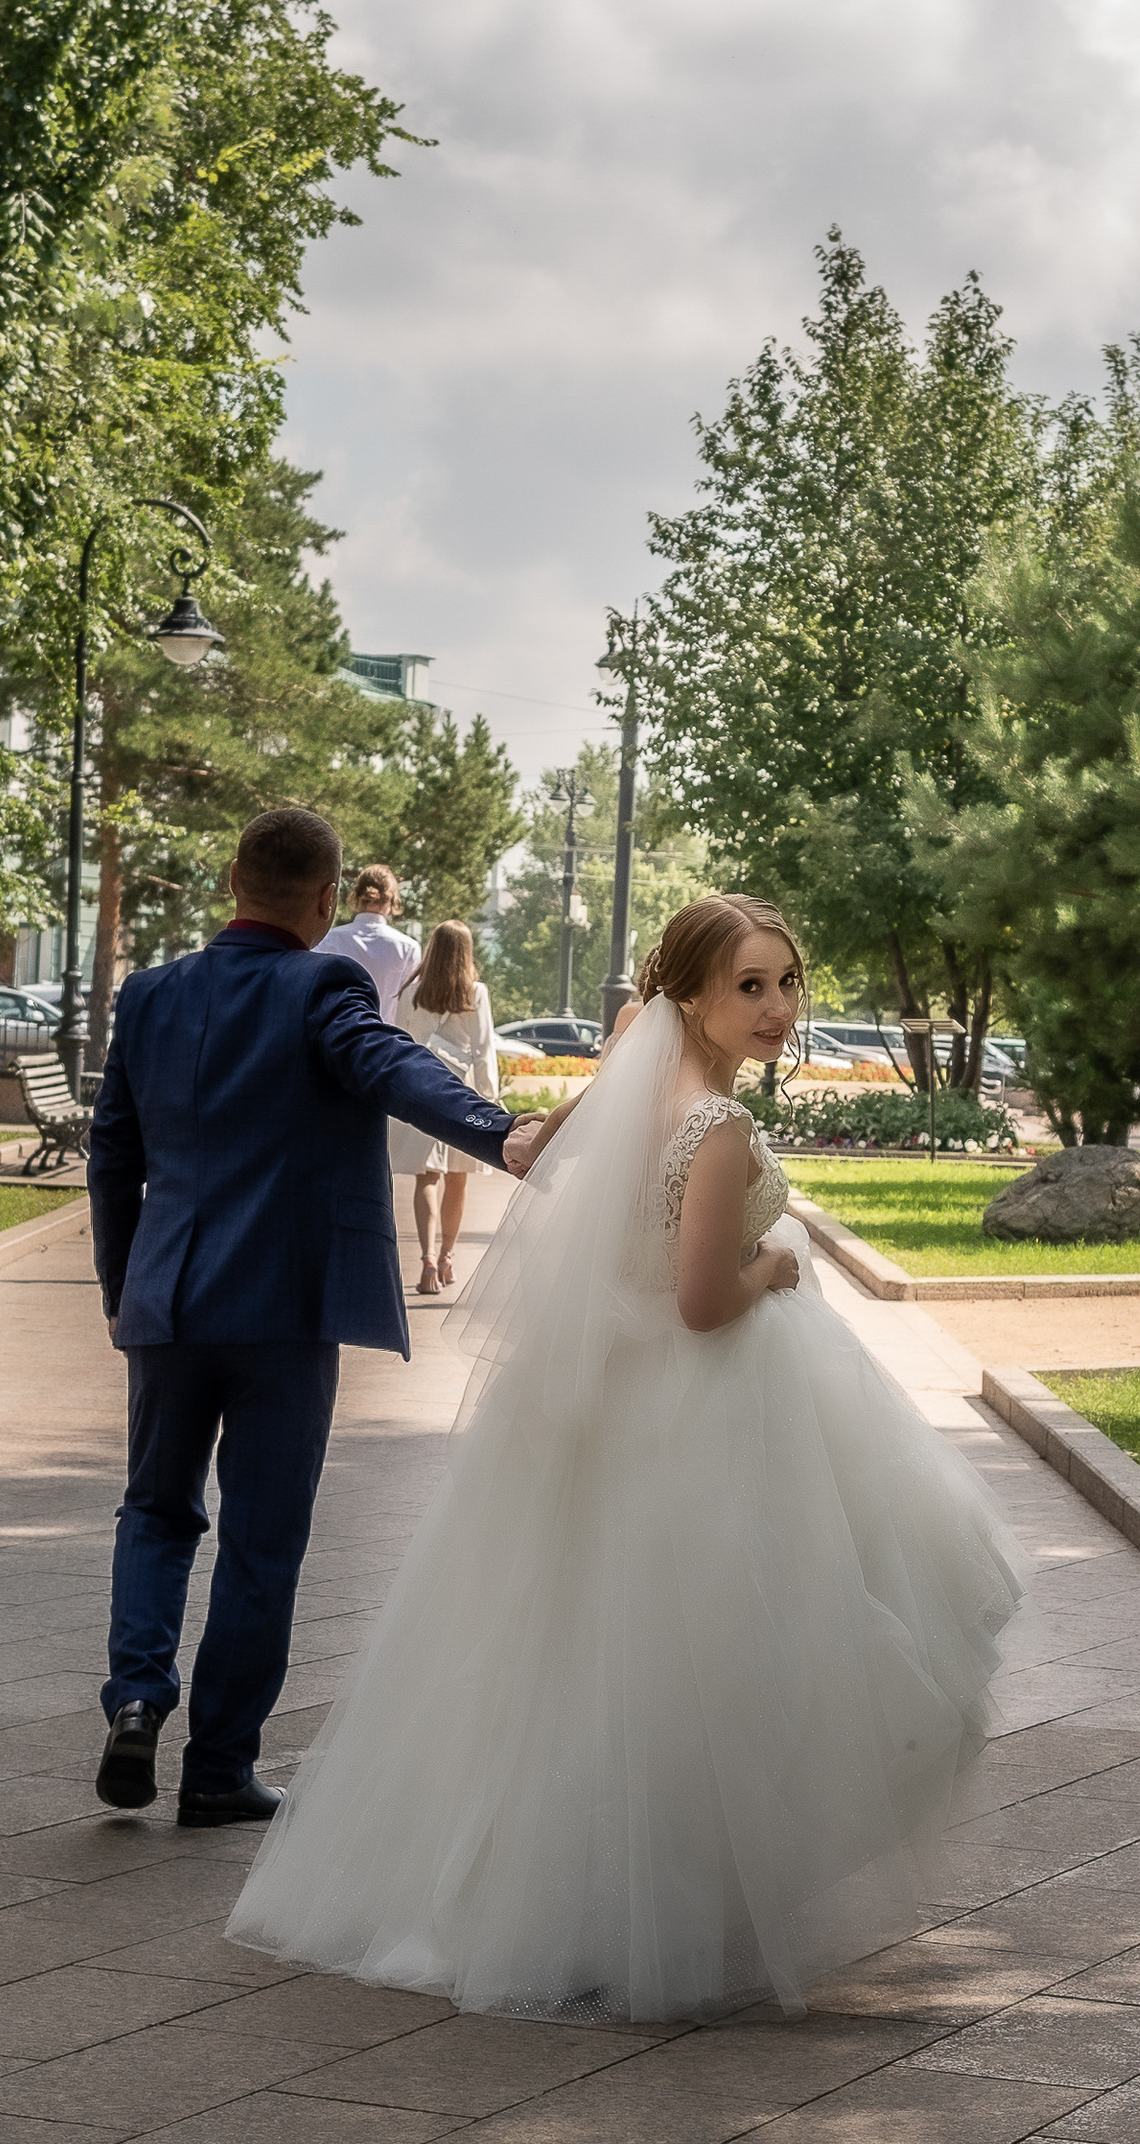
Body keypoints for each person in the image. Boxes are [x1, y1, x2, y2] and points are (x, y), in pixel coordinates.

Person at [227, 891, 1023, 2018]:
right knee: (716, 1654)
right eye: (749, 985)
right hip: (703, 1398)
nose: (777, 1007)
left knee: (572, 1657)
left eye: (787, 982)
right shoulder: (717, 1127)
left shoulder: (635, 1093)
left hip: (616, 1393)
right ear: (688, 995)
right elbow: (702, 1301)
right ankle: (646, 1903)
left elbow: (587, 1204)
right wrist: (772, 1267)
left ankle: (563, 1897)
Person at [88, 805, 550, 1828]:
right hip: (284, 1308)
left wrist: (126, 1291)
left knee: (155, 1509)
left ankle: (136, 1697)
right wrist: (498, 1132)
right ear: (328, 898)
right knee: (262, 1537)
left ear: (231, 879)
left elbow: (112, 1155)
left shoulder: (150, 995)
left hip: (168, 1301)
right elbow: (390, 1064)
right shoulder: (324, 985)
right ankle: (218, 1768)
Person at [390, 919, 500, 1296]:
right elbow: (484, 1049)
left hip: (422, 1085)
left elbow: (400, 1042)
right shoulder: (476, 992)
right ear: (466, 953)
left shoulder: (412, 991)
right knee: (457, 1176)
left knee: (427, 1176)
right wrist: (489, 1099)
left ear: (433, 948)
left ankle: (426, 1263)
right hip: (462, 1089)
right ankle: (447, 1257)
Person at [315, 862, 419, 1020]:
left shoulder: (328, 939)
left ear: (356, 896)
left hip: (336, 1031)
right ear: (392, 901)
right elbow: (409, 1008)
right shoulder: (408, 948)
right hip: (385, 1033)